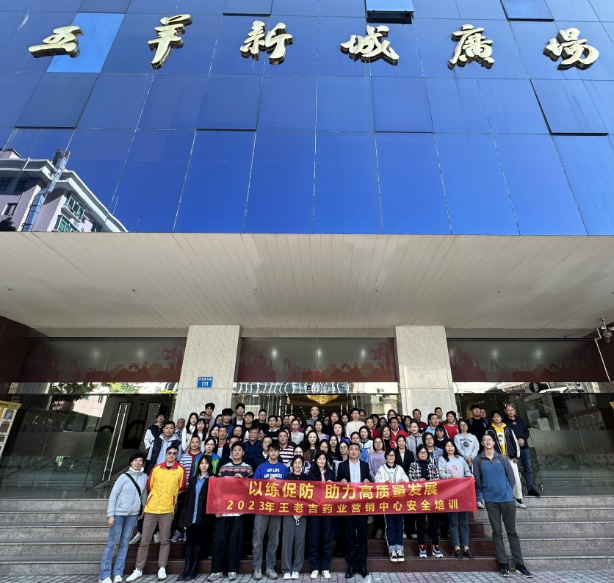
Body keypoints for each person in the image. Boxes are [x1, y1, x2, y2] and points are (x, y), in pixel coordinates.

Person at [473, 435, 533, 578]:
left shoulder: (502, 458)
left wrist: (507, 491)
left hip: (507, 498)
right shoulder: (478, 460)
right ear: (482, 443)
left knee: (512, 531)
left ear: (494, 442)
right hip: (491, 500)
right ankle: (503, 563)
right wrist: (486, 492)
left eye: (490, 439)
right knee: (497, 531)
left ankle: (519, 563)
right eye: (485, 440)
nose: (488, 441)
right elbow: (478, 480)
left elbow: (511, 477)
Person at [127, 444, 186, 582]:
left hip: (167, 509)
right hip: (151, 508)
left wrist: (170, 499)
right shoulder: (156, 469)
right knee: (145, 540)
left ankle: (162, 567)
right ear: (165, 454)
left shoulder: (180, 470)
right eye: (169, 453)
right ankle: (138, 569)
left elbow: (181, 487)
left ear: (177, 455)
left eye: (174, 453)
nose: (171, 455)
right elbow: (150, 485)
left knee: (165, 540)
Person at [99, 452, 148, 583]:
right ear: (131, 462)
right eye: (135, 460)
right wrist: (110, 515)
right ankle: (104, 575)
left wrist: (142, 510)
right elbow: (113, 495)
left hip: (132, 515)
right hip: (118, 513)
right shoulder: (123, 477)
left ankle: (118, 573)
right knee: (111, 543)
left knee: (125, 543)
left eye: (140, 461)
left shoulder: (145, 477)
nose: (137, 463)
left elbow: (144, 495)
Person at [208, 442, 254, 582]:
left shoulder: (248, 469)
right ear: (231, 452)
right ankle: (217, 570)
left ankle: (232, 570)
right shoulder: (223, 468)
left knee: (235, 540)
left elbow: (252, 489)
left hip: (239, 511)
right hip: (223, 509)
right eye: (235, 450)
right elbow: (217, 489)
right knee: (219, 540)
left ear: (243, 453)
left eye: (239, 450)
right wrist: (216, 507)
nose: (237, 452)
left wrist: (244, 481)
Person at [251, 442, 288, 580]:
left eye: (275, 451)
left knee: (274, 539)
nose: (273, 453)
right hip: (262, 506)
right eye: (271, 450)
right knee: (258, 538)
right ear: (268, 452)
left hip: (277, 508)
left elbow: (289, 488)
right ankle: (257, 567)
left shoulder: (284, 468)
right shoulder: (261, 467)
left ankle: (270, 567)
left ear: (279, 452)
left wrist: (279, 484)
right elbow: (254, 486)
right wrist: (266, 483)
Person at [336, 443, 371, 579]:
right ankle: (351, 564)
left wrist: (368, 480)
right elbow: (337, 483)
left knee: (362, 534)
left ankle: (362, 564)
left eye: (356, 449)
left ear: (360, 452)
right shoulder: (342, 466)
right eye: (351, 449)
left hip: (361, 506)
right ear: (348, 451)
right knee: (349, 535)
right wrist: (341, 481)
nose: (354, 452)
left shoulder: (365, 465)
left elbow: (370, 481)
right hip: (348, 506)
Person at [177, 455, 212, 581]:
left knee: (198, 542)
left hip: (202, 516)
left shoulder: (212, 480)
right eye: (202, 463)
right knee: (189, 542)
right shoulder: (193, 480)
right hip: (190, 516)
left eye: (206, 463)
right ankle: (186, 568)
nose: (204, 465)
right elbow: (186, 500)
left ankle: (194, 569)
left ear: (209, 465)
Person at [438, 441, 474, 559]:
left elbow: (467, 471)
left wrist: (469, 476)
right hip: (450, 493)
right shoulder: (442, 460)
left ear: (455, 447)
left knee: (464, 521)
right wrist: (450, 476)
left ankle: (466, 547)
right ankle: (457, 547)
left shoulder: (460, 459)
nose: (450, 448)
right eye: (447, 446)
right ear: (445, 448)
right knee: (453, 522)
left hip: (462, 493)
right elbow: (441, 474)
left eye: (451, 446)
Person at [485, 411, 526, 509]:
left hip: (510, 457)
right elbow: (487, 444)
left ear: (501, 418)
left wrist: (517, 456)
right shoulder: (489, 430)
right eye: (494, 416)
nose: (497, 418)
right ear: (492, 419)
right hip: (496, 458)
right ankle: (503, 499)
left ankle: (518, 499)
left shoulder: (508, 429)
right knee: (499, 479)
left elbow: (515, 442)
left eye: (498, 416)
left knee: (515, 477)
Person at [375, 448, 410, 562]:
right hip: (387, 502)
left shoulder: (400, 468)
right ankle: (392, 549)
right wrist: (384, 483)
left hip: (399, 501)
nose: (391, 457)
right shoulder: (381, 469)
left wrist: (403, 481)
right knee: (389, 526)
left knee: (399, 525)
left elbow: (407, 480)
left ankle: (400, 549)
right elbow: (376, 481)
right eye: (389, 455)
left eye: (393, 455)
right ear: (386, 457)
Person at [409, 445, 442, 559]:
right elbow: (411, 479)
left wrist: (429, 482)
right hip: (419, 499)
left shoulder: (432, 465)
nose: (423, 454)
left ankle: (436, 546)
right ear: (417, 454)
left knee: (434, 523)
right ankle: (422, 546)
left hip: (432, 499)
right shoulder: (413, 465)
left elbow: (437, 479)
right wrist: (419, 481)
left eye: (425, 452)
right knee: (420, 523)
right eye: (421, 452)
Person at [307, 451, 335, 579]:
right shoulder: (311, 474)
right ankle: (314, 567)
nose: (322, 461)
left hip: (327, 509)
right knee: (314, 537)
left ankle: (325, 567)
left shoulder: (330, 473)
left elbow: (338, 492)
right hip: (314, 509)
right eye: (320, 459)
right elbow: (307, 491)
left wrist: (332, 485)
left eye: (324, 459)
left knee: (327, 537)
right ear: (315, 460)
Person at [503, 404, 540, 497]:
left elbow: (526, 431)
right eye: (508, 410)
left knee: (528, 469)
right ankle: (519, 491)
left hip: (524, 447)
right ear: (505, 411)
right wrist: (516, 442)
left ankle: (530, 488)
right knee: (516, 470)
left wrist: (523, 439)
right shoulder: (504, 422)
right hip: (514, 450)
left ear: (514, 410)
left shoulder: (520, 420)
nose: (510, 412)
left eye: (512, 410)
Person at [282, 456, 308, 580]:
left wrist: (302, 510)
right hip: (289, 512)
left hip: (302, 513)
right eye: (295, 463)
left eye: (300, 463)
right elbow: (284, 496)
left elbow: (310, 496)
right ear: (292, 465)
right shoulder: (288, 477)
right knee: (287, 541)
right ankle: (286, 569)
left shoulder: (306, 478)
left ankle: (296, 568)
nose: (297, 465)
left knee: (300, 541)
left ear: (303, 465)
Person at [454, 420, 482, 509]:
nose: (463, 426)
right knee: (465, 480)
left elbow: (476, 447)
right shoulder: (457, 437)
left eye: (465, 425)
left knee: (476, 479)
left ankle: (479, 500)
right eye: (461, 425)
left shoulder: (473, 437)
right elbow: (458, 448)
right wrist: (466, 457)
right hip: (462, 461)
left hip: (473, 460)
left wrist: (471, 457)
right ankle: (467, 499)